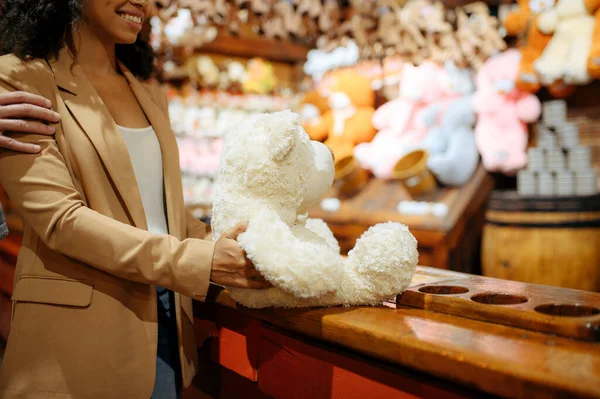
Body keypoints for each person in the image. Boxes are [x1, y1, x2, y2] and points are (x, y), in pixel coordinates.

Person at [0, 1, 271, 398]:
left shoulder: (146, 89)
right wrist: (200, 261)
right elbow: (61, 222)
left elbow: (163, 212)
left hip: (165, 331)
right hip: (73, 347)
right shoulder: (19, 77)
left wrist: (231, 242)